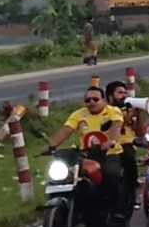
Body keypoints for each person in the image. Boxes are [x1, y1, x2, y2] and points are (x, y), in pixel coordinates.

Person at [48, 87, 126, 216]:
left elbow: (116, 126)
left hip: (110, 154)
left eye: (95, 99)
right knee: (69, 177)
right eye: (88, 100)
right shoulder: (78, 115)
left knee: (111, 175)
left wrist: (111, 141)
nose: (91, 102)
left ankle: (115, 211)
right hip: (86, 156)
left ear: (104, 100)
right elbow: (66, 130)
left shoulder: (113, 111)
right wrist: (51, 146)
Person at [105, 81, 140, 211]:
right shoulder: (104, 111)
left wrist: (138, 115)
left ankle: (133, 192)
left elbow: (140, 132)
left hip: (126, 144)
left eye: (125, 93)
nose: (124, 96)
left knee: (129, 158)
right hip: (109, 145)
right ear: (110, 96)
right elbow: (115, 124)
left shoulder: (128, 110)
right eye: (120, 93)